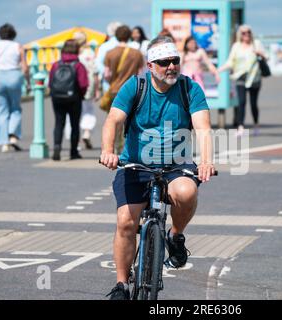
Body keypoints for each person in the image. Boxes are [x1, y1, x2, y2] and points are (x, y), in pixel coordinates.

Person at [99, 35, 216, 300]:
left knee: (187, 193)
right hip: (135, 164)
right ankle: (120, 285)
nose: (171, 66)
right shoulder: (135, 86)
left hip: (176, 164)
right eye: (164, 62)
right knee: (126, 223)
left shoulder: (189, 88)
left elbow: (203, 128)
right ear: (150, 66)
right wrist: (108, 151)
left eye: (175, 61)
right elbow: (113, 120)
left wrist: (207, 160)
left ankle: (176, 236)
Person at [218, 24, 268, 137]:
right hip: (240, 77)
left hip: (254, 78)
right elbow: (230, 62)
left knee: (253, 104)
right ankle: (240, 127)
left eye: (248, 32)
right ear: (240, 35)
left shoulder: (257, 44)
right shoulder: (236, 46)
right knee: (241, 103)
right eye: (244, 33)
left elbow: (267, 57)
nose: (246, 35)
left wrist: (260, 53)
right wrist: (219, 70)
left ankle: (256, 125)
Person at [104, 25, 144, 154]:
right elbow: (140, 73)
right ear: (129, 36)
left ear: (116, 36)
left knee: (113, 120)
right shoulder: (136, 53)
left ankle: (113, 147)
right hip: (133, 90)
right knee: (130, 121)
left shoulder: (110, 53)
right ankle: (126, 148)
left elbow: (107, 74)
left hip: (114, 90)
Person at [0, 23, 30, 153]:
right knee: (15, 107)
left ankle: (3, 143)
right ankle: (13, 134)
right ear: (13, 34)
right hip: (14, 76)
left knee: (0, 110)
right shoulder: (18, 46)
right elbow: (25, 67)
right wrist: (28, 82)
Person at [49, 39, 89, 161]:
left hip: (57, 97)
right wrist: (81, 95)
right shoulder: (78, 65)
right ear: (77, 50)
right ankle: (73, 151)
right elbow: (83, 84)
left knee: (59, 123)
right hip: (74, 98)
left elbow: (50, 82)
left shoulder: (56, 64)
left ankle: (57, 147)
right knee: (74, 125)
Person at [71, 31, 100, 150]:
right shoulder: (90, 53)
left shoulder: (72, 53)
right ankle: (87, 132)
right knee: (88, 109)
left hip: (74, 85)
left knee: (74, 113)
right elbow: (95, 72)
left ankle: (76, 141)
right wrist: (97, 90)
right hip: (88, 84)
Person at [95, 21, 122, 92]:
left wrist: (106, 74)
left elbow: (98, 62)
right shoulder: (128, 45)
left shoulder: (104, 46)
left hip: (108, 82)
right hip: (124, 81)